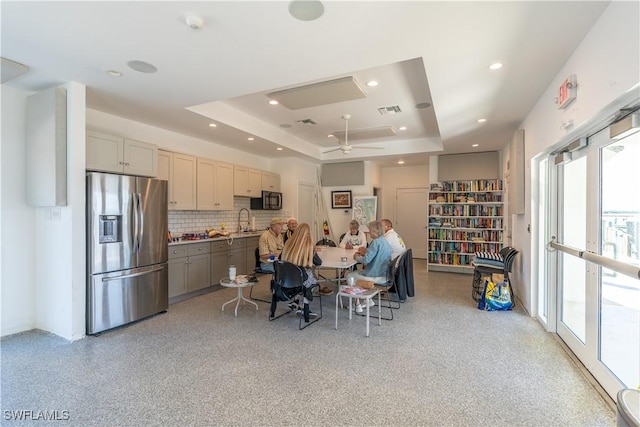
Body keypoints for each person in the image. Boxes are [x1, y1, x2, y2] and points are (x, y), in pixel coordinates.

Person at [346, 220, 392, 313]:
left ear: (375, 232)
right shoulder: (384, 240)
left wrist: (356, 257)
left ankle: (357, 305)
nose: (369, 232)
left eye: (370, 230)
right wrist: (366, 252)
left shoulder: (375, 242)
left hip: (375, 274)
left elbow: (366, 260)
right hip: (384, 273)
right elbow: (375, 254)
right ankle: (368, 301)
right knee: (355, 274)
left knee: (350, 276)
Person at [280, 223, 321, 317]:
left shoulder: (288, 243)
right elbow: (318, 262)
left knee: (305, 276)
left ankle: (296, 300)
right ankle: (302, 306)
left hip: (286, 279)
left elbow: (280, 258)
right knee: (312, 280)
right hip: (300, 280)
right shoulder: (309, 246)